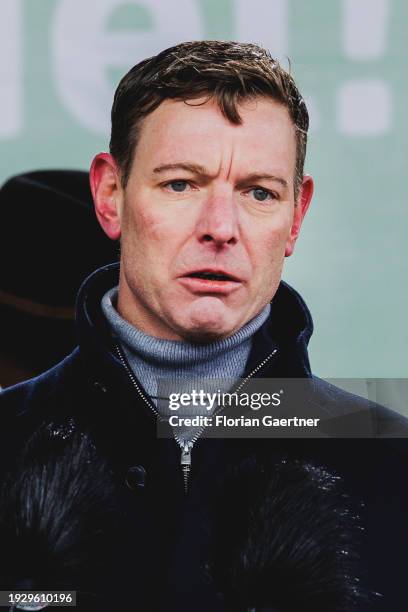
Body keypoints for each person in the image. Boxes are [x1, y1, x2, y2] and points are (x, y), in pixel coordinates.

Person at [1, 40, 408, 612]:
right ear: (111, 195)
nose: (221, 227)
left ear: (295, 217)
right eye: (181, 184)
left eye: (259, 192)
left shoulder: (393, 467)